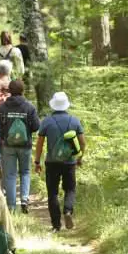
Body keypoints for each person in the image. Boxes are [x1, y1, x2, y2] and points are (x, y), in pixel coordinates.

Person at [34, 91, 87, 233]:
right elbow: (82, 143)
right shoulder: (74, 121)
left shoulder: (47, 121)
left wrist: (37, 161)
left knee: (52, 193)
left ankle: (56, 225)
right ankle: (68, 211)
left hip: (51, 162)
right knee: (70, 189)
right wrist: (79, 158)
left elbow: (39, 143)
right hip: (69, 162)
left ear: (53, 105)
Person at [0, 79, 41, 212]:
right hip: (25, 145)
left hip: (8, 146)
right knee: (25, 172)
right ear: (22, 90)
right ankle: (24, 200)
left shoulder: (3, 107)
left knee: (10, 174)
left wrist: (5, 136)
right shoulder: (29, 107)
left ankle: (11, 206)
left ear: (9, 91)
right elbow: (36, 126)